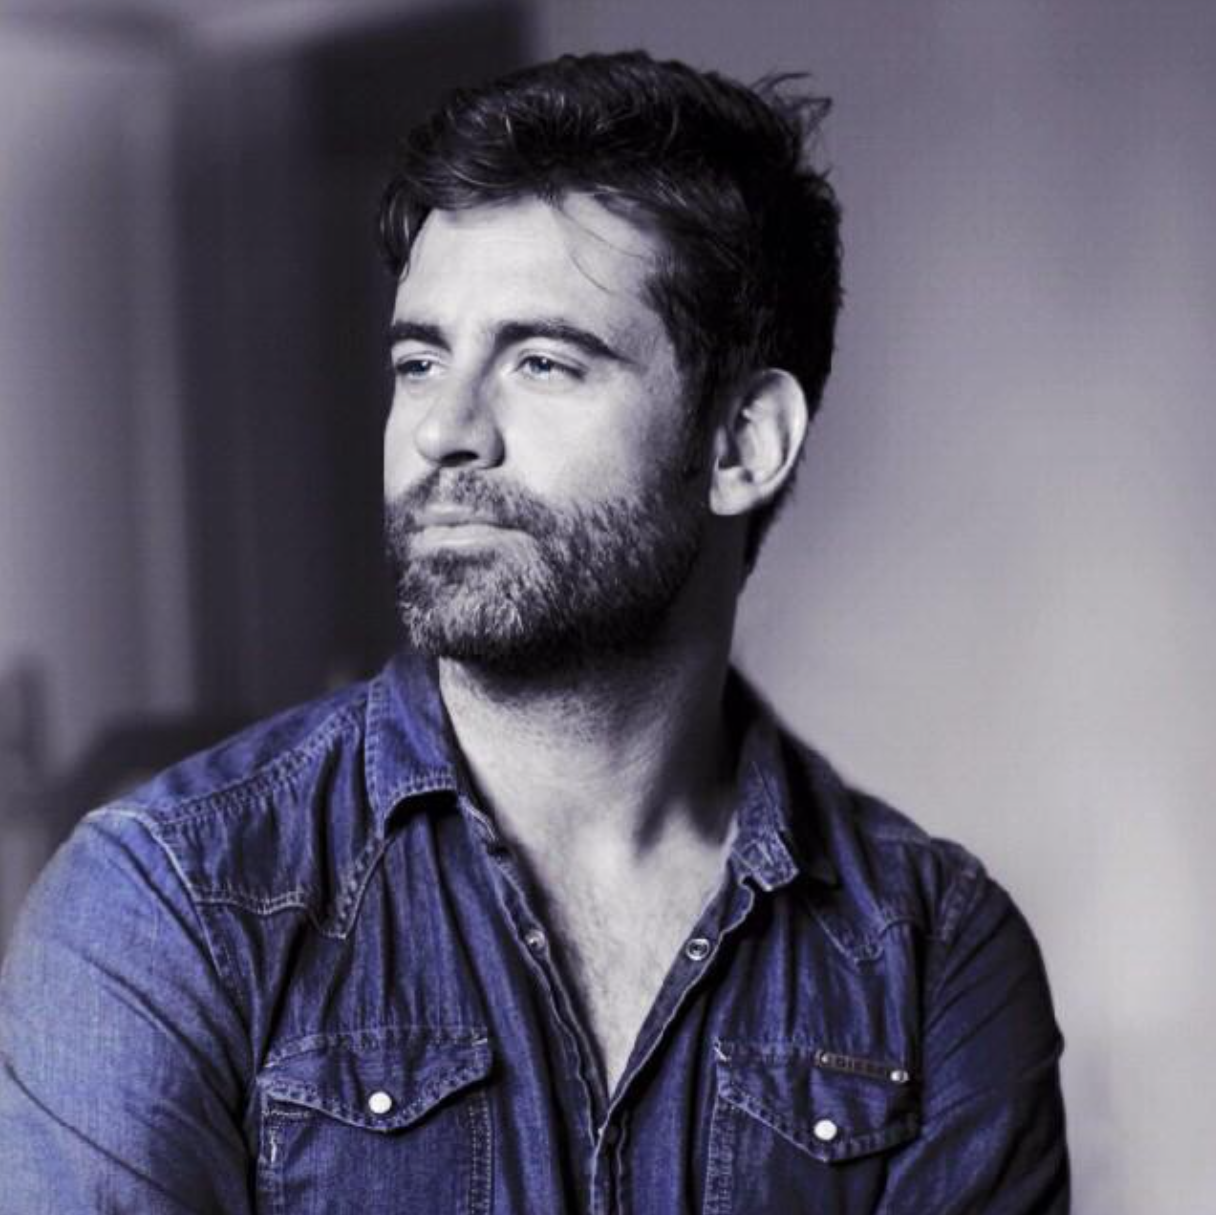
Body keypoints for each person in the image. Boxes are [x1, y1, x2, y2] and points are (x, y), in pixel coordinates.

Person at [0, 50, 1067, 1213]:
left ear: (741, 444)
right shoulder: (166, 901)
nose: (444, 431)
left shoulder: (933, 956)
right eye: (420, 362)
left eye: (542, 362)